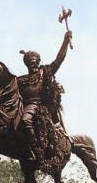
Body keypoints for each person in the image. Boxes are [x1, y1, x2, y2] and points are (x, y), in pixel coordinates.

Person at [15, 30, 72, 162]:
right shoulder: (20, 80)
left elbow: (59, 59)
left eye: (35, 62)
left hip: (37, 106)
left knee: (25, 120)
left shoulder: (45, 72)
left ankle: (35, 150)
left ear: (38, 62)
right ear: (27, 64)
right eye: (30, 63)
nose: (33, 64)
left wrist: (65, 41)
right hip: (22, 106)